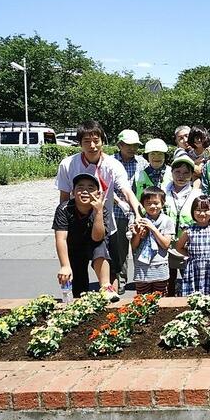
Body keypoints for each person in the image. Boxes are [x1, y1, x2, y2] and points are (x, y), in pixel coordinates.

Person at [55, 120, 142, 300]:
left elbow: (126, 191)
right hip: (77, 225)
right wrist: (63, 223)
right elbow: (64, 197)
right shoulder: (67, 164)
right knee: (78, 273)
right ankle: (79, 306)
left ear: (103, 141)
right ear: (80, 143)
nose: (92, 145)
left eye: (96, 140)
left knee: (111, 271)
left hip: (104, 221)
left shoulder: (112, 165)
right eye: (87, 141)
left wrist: (138, 213)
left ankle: (112, 307)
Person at [53, 173, 117, 300]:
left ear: (98, 194)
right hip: (74, 247)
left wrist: (98, 211)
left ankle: (105, 286)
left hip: (93, 244)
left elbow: (97, 238)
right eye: (80, 187)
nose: (85, 191)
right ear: (73, 192)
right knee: (79, 288)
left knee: (100, 247)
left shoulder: (102, 210)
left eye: (90, 188)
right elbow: (61, 238)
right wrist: (65, 266)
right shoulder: (64, 208)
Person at [110, 129, 148, 294]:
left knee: (140, 246)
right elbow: (105, 187)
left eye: (135, 145)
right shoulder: (110, 162)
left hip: (138, 212)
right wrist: (119, 202)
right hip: (117, 212)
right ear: (119, 145)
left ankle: (142, 280)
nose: (132, 148)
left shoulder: (142, 163)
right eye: (128, 145)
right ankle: (121, 281)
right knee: (119, 249)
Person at [163, 155, 203, 296]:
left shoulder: (197, 194)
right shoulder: (162, 193)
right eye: (177, 172)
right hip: (166, 245)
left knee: (190, 281)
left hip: (187, 246)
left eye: (186, 173)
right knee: (168, 282)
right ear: (171, 172)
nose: (181, 176)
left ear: (192, 175)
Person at [130, 186, 175, 296]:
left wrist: (152, 228)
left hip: (160, 267)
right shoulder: (138, 220)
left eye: (156, 203)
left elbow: (165, 244)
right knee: (142, 300)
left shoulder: (167, 221)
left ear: (162, 203)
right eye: (148, 203)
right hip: (142, 268)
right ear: (143, 204)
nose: (152, 206)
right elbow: (134, 246)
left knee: (160, 299)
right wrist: (138, 235)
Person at [175, 195, 210, 296]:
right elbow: (179, 247)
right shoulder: (189, 229)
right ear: (193, 211)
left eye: (206, 210)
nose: (202, 213)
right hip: (194, 267)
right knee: (193, 296)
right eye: (198, 210)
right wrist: (191, 254)